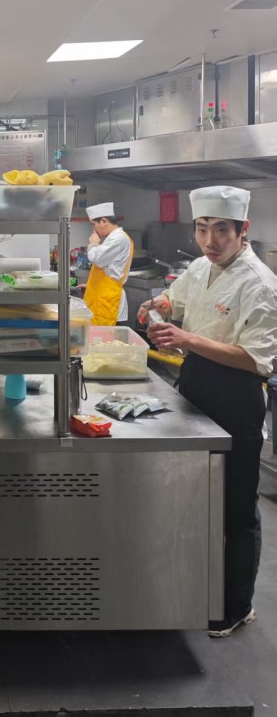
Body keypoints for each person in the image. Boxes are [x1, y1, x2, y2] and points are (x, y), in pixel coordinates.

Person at [138, 186, 277, 637]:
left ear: (243, 230)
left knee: (237, 507)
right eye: (202, 229)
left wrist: (187, 339)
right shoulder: (201, 266)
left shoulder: (260, 284)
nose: (210, 241)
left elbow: (255, 360)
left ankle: (237, 605)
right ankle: (199, 586)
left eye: (221, 231)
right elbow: (175, 300)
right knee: (198, 496)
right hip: (196, 387)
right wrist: (158, 305)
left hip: (236, 397)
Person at [83, 202, 133, 326]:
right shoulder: (112, 238)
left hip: (110, 301)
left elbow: (97, 258)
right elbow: (107, 270)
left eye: (94, 224)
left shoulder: (119, 238)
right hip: (102, 297)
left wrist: (93, 243)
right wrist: (92, 285)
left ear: (104, 221)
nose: (93, 229)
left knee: (106, 336)